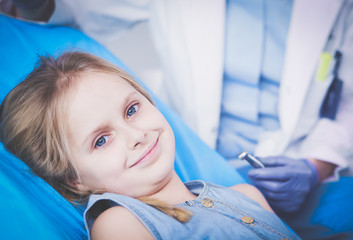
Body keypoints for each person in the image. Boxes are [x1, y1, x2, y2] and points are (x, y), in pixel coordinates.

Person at [0, 51, 300, 239]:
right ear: (74, 180)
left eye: (132, 110)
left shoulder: (247, 196)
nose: (136, 135)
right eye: (101, 140)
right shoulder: (121, 224)